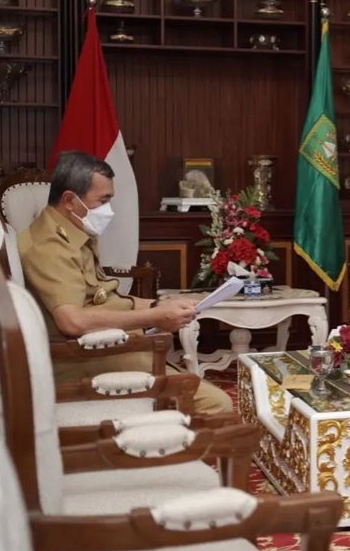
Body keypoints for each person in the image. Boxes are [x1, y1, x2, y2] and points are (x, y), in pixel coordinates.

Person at [18, 150, 233, 414]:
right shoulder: (49, 247)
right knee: (217, 404)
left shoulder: (71, 233)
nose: (108, 210)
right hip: (84, 360)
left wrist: (159, 304)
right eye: (103, 200)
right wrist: (154, 317)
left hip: (108, 348)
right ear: (70, 200)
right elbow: (72, 321)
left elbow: (103, 298)